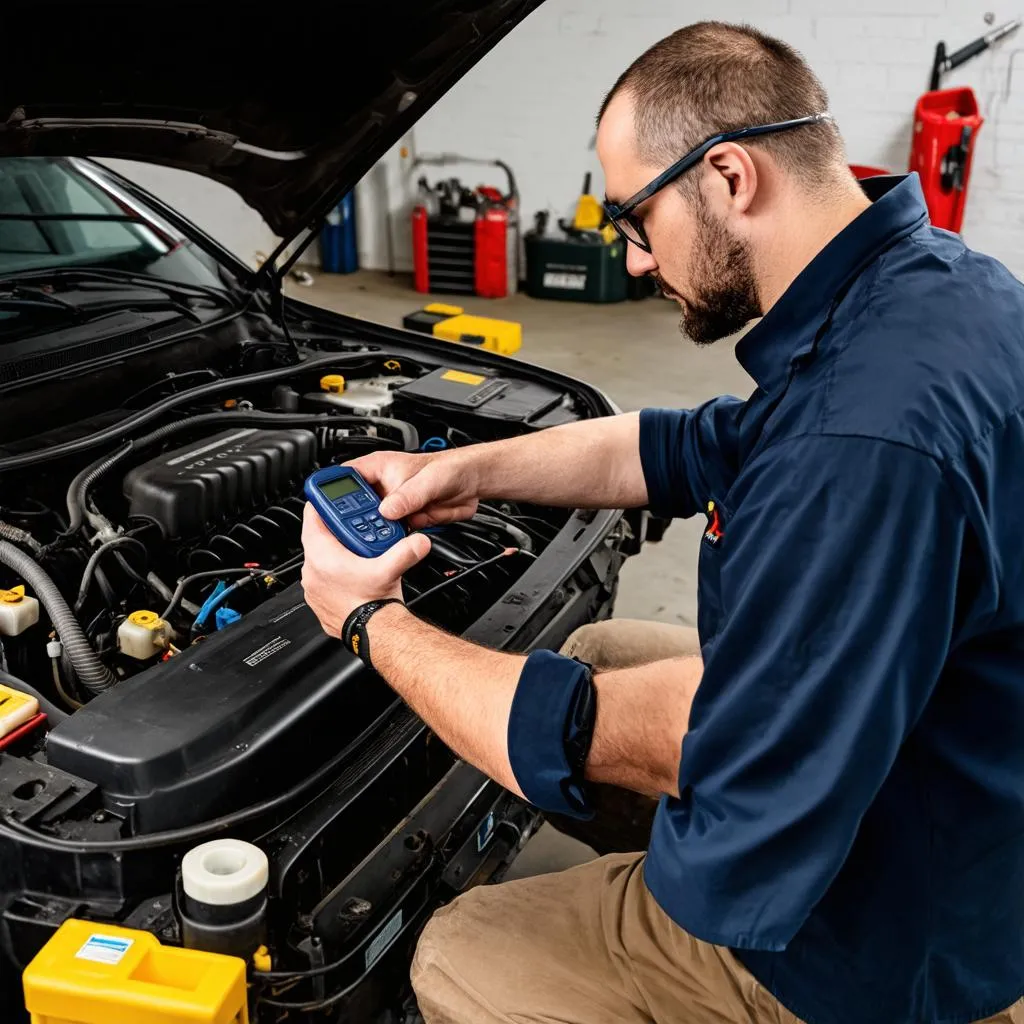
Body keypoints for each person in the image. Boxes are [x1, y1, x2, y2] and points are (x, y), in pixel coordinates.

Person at [300, 20, 1024, 1024]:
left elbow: (714, 738)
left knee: (463, 950)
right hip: (953, 771)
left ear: (728, 177)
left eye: (635, 217)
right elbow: (679, 446)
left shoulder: (860, 444)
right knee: (598, 645)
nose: (635, 259)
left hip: (874, 952)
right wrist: (461, 467)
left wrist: (371, 621)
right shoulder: (923, 290)